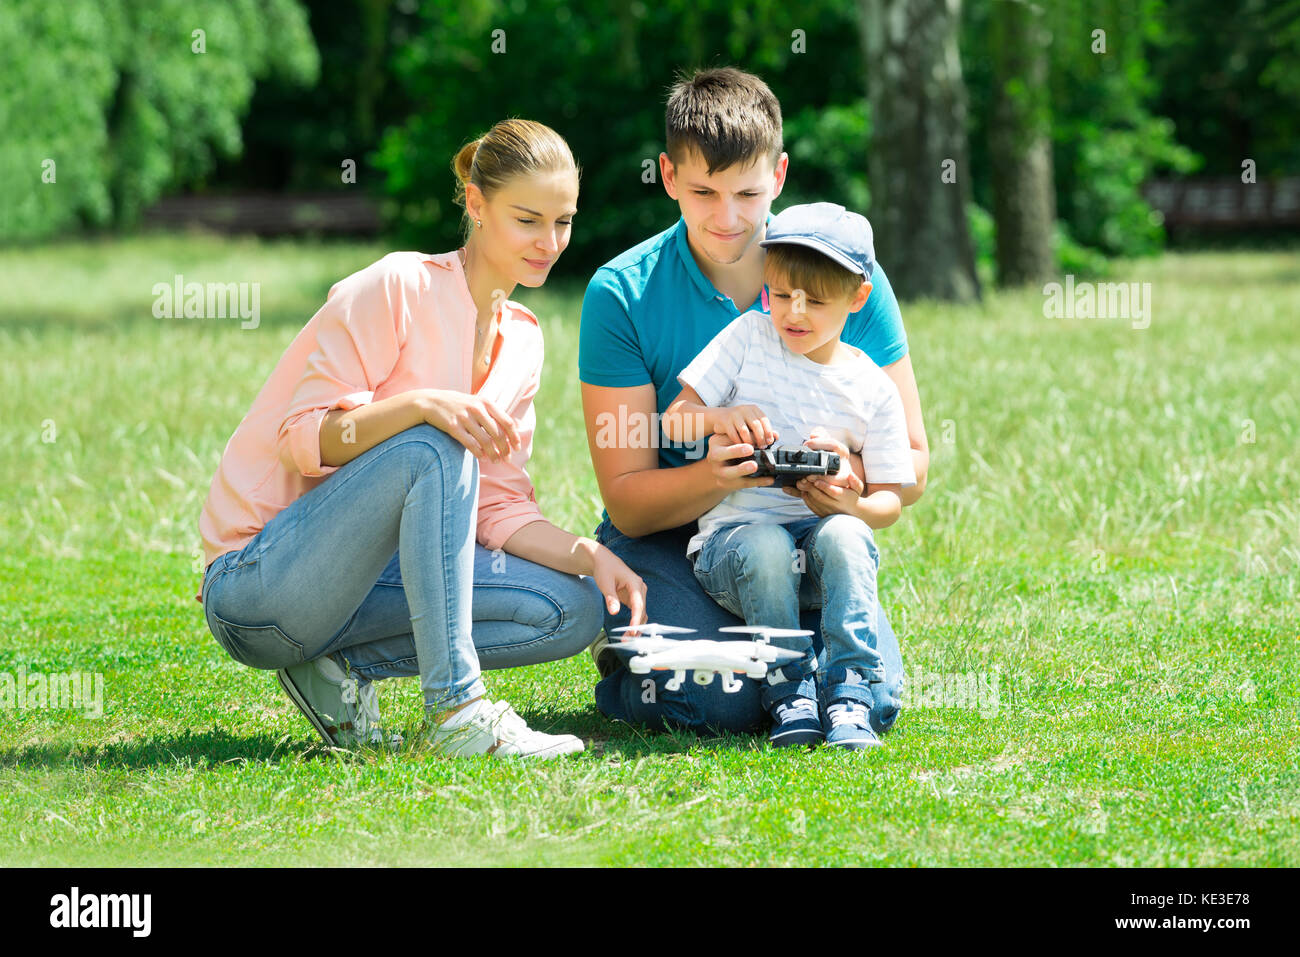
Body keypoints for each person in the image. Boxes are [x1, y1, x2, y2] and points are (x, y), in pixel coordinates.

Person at [198, 118, 647, 760]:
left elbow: (494, 505)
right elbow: (304, 438)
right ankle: (457, 711)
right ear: (476, 204)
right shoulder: (396, 286)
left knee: (574, 606)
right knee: (433, 444)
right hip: (259, 584)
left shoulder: (523, 339)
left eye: (564, 221)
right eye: (528, 220)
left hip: (365, 594)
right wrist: (418, 405)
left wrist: (590, 554)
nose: (549, 242)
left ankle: (336, 669)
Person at [578, 67, 929, 735]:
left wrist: (847, 475)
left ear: (781, 174)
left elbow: (910, 459)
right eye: (704, 192)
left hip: (801, 526)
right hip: (667, 535)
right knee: (729, 703)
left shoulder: (849, 277)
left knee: (866, 703)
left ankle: (776, 654)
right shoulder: (620, 292)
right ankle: (633, 662)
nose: (729, 218)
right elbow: (626, 496)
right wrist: (715, 475)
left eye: (748, 192)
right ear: (669, 176)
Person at [661, 202, 916, 749]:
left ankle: (849, 691)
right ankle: (789, 691)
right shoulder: (747, 338)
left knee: (849, 534)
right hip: (735, 550)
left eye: (816, 301)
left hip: (819, 553)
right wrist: (718, 417)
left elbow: (890, 503)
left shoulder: (871, 386)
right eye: (779, 295)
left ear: (857, 298)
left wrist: (848, 499)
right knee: (767, 544)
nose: (793, 313)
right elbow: (675, 423)